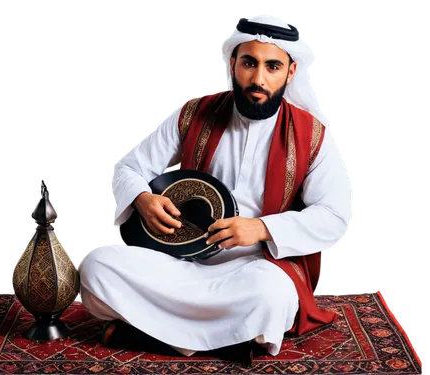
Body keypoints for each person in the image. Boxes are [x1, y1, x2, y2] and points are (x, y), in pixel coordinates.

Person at [77, 12, 353, 362]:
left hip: (255, 268)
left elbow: (333, 214)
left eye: (272, 67)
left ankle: (146, 333)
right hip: (178, 259)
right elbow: (130, 167)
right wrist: (143, 198)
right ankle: (228, 343)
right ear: (233, 63)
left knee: (271, 297)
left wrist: (260, 228)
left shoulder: (311, 135)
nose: (258, 78)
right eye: (249, 63)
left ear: (290, 72)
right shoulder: (195, 112)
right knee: (96, 268)